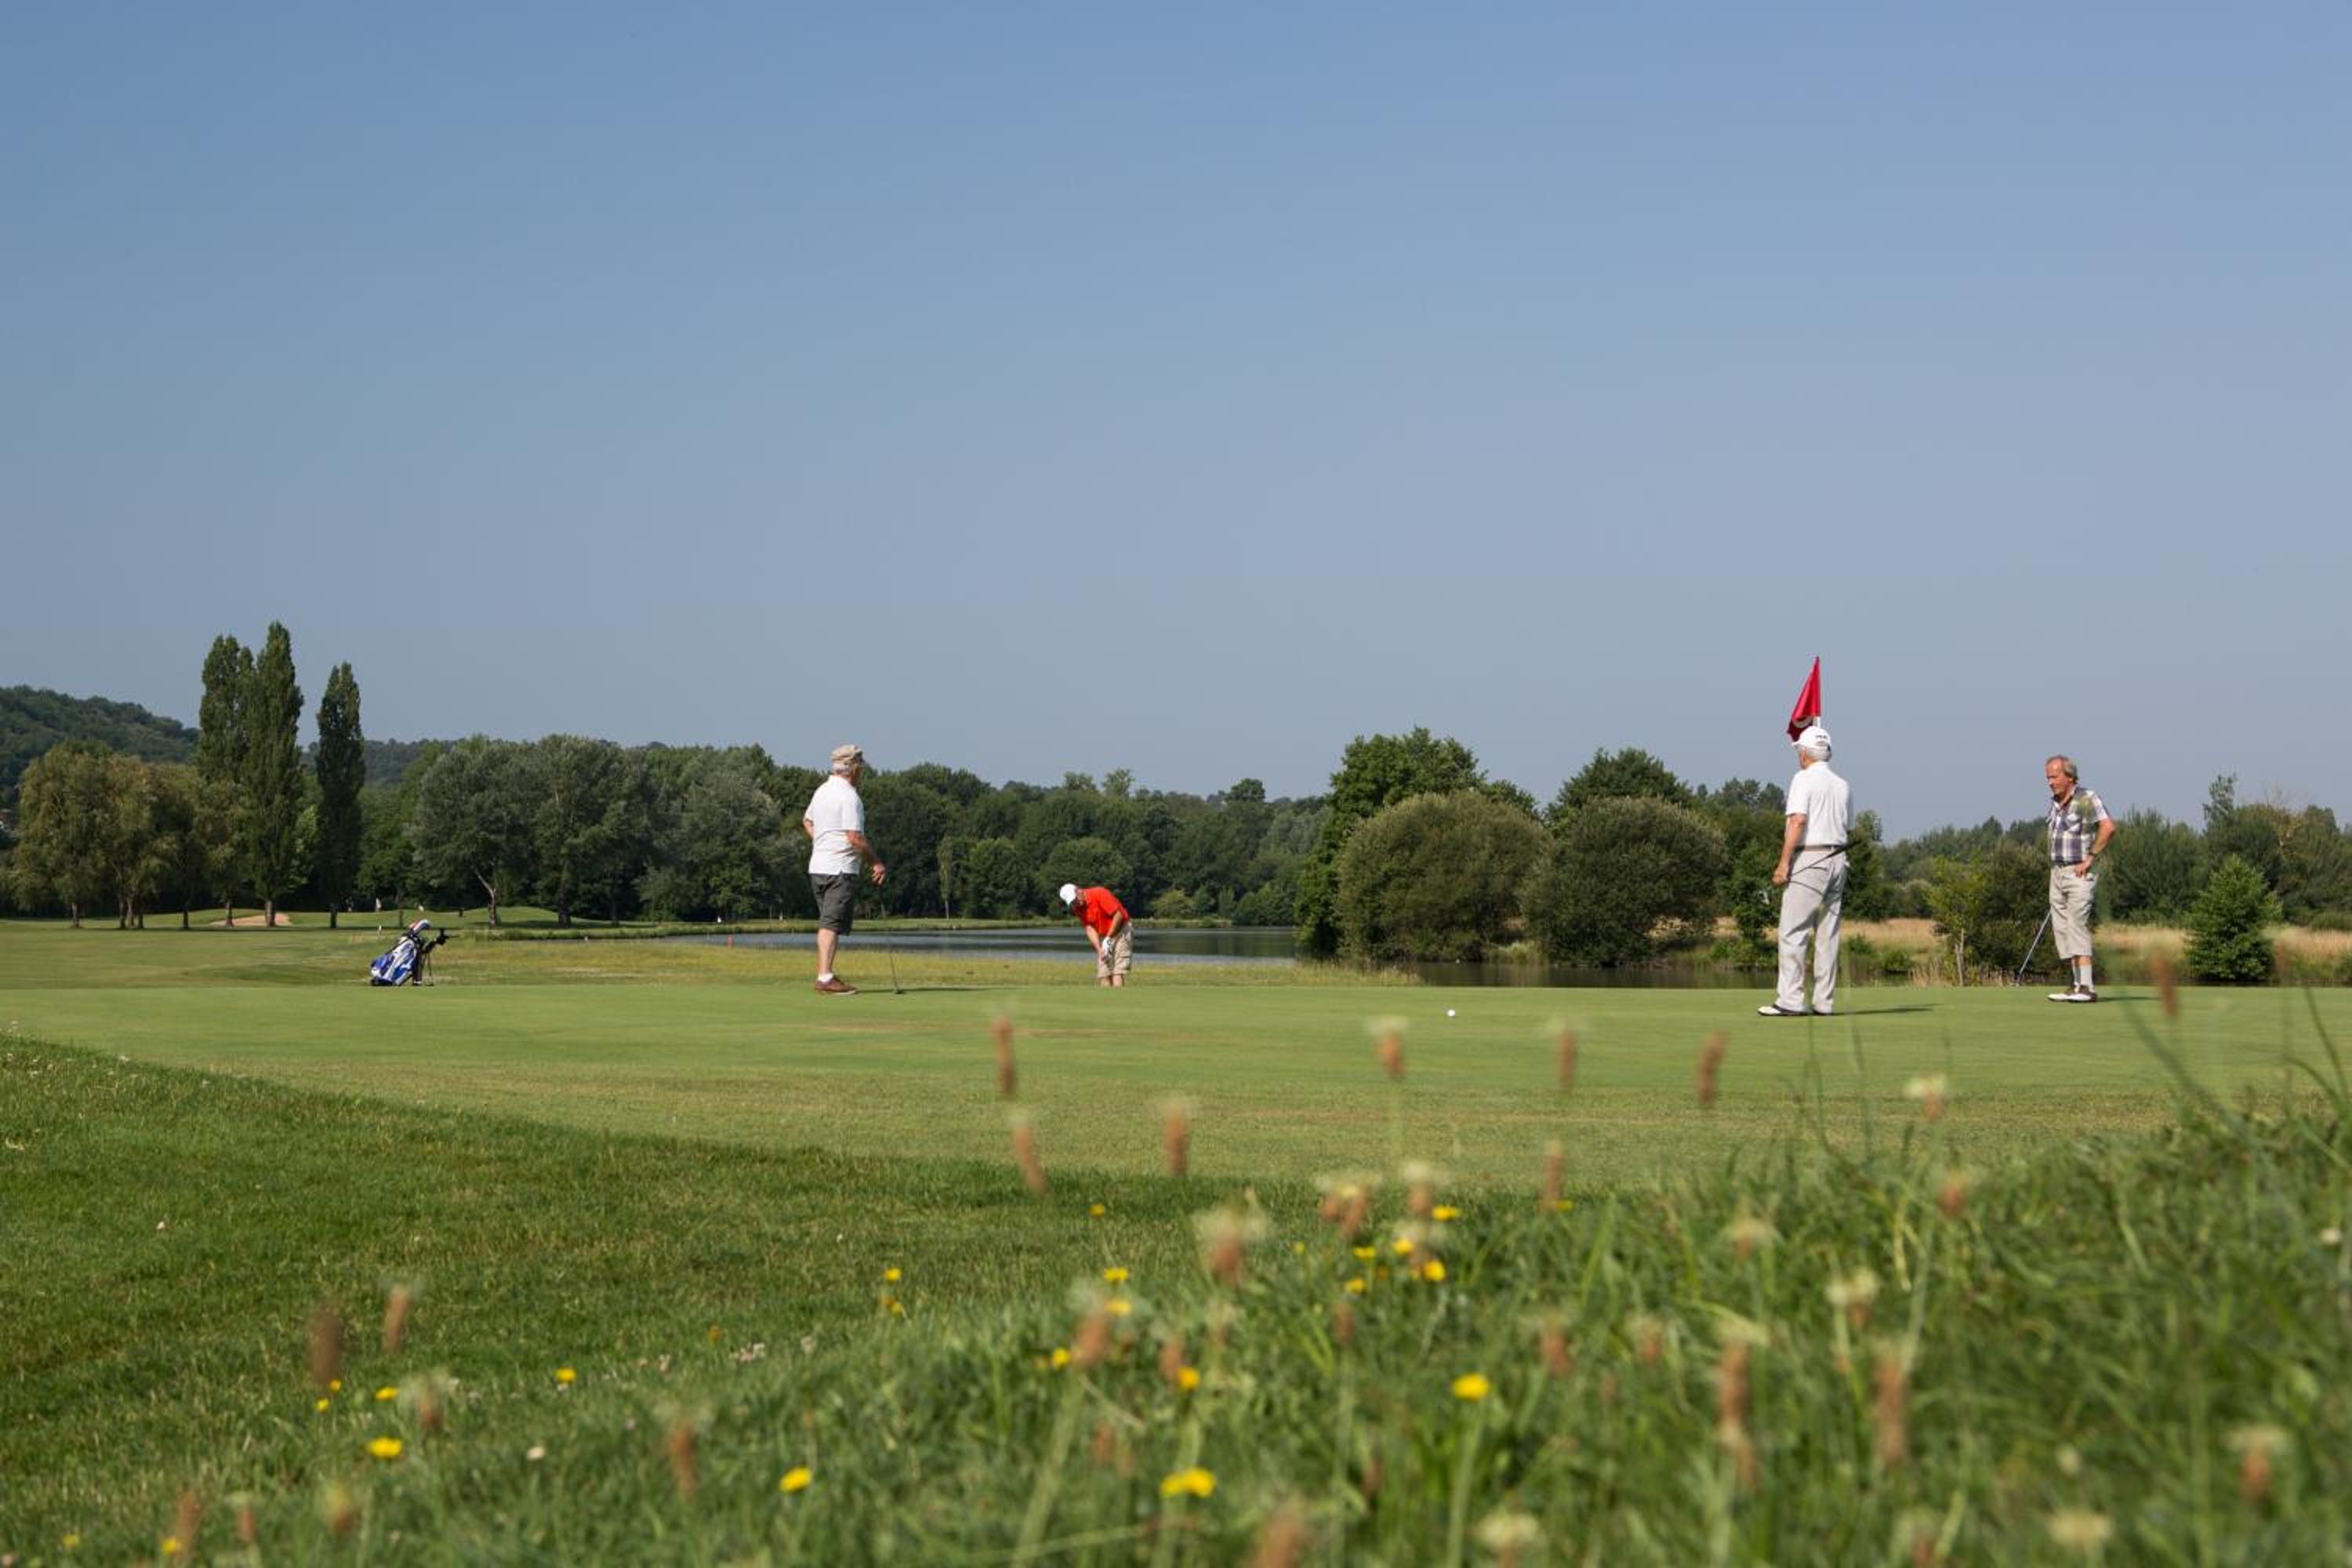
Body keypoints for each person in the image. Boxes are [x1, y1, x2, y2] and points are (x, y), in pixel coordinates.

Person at [1759, 724, 1852, 1018]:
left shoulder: (1802, 778)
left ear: (1804, 753)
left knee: (1793, 931)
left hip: (1810, 858)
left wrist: (1783, 863)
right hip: (1839, 859)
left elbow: (1798, 821)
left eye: (1799, 750)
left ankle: (1790, 1000)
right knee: (1827, 934)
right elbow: (1846, 827)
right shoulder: (1843, 785)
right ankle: (1824, 1003)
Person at [802, 743, 886, 996]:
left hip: (818, 867)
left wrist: (822, 842)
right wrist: (876, 863)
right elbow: (854, 838)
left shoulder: (822, 790)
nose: (862, 771)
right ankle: (825, 977)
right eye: (860, 766)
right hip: (840, 869)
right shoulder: (849, 797)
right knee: (830, 924)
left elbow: (807, 821)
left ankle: (826, 974)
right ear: (852, 768)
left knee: (829, 923)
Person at [2042, 754, 2116, 1004]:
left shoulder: (2086, 798)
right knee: (2063, 929)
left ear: (2070, 777)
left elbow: (2108, 827)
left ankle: (2087, 987)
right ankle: (2076, 985)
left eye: (2054, 777)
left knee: (2076, 925)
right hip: (2057, 872)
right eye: (2048, 778)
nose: (2050, 782)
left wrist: (2091, 857)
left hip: (2079, 871)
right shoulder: (2055, 803)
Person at [1059, 882, 1133, 987]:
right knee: (1104, 974)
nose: (1076, 903)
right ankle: (1106, 997)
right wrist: (1099, 949)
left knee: (1117, 972)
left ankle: (1118, 997)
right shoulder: (1078, 908)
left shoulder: (1099, 893)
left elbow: (1118, 915)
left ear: (1078, 890)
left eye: (1075, 899)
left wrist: (1108, 938)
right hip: (1105, 935)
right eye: (1072, 902)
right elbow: (1089, 928)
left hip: (1122, 930)